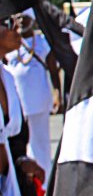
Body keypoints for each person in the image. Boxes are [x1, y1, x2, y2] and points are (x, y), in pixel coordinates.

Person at [0, 16, 44, 196]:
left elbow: (14, 138)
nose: (15, 31)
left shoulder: (6, 76)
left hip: (10, 192)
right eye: (5, 24)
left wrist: (21, 161)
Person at [3, 12, 58, 185]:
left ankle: (45, 183)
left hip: (38, 101)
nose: (16, 26)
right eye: (10, 22)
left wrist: (57, 92)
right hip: (21, 103)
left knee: (40, 142)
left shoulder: (41, 43)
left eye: (20, 20)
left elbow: (53, 70)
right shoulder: (9, 55)